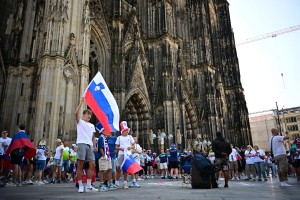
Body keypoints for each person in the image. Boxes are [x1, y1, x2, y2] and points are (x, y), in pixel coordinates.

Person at [75, 97, 98, 193]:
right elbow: (75, 113)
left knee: (92, 164)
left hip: (89, 145)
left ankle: (88, 185)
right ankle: (80, 185)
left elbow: (93, 137)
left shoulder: (92, 125)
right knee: (80, 165)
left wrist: (95, 145)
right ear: (84, 115)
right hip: (81, 144)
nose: (89, 116)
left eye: (90, 115)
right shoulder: (80, 122)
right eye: (88, 114)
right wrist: (81, 103)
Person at [115, 121, 135, 189]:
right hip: (121, 154)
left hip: (128, 154)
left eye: (127, 130)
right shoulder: (119, 138)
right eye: (126, 130)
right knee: (118, 169)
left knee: (126, 169)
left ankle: (125, 183)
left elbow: (133, 145)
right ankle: (117, 182)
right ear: (123, 131)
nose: (127, 131)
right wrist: (120, 148)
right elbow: (116, 147)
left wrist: (130, 147)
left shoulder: (130, 137)